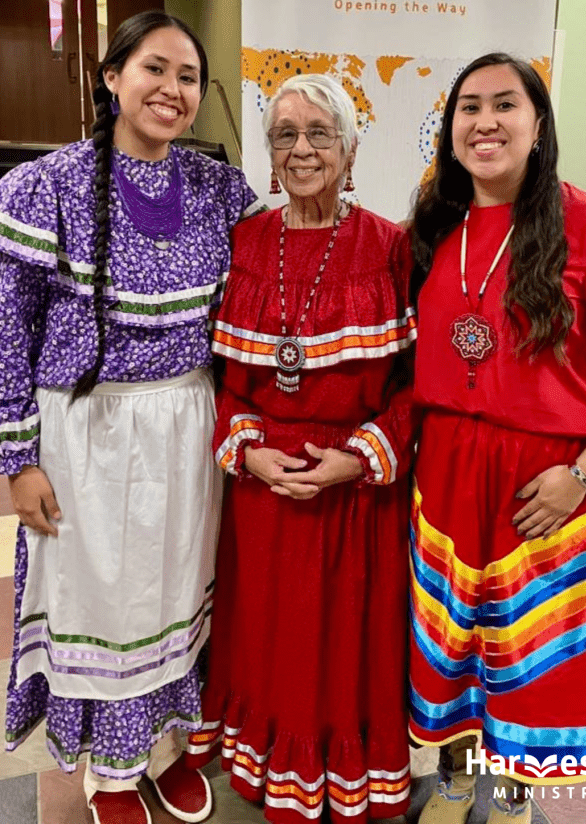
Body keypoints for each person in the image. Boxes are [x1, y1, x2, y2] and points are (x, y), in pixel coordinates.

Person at [0, 11, 259, 824]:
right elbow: (7, 328)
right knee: (102, 600)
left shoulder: (221, 188)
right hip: (87, 433)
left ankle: (170, 748)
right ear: (112, 78)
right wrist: (18, 459)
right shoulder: (43, 188)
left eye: (187, 77)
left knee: (178, 590)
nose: (171, 91)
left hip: (188, 424)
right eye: (154, 69)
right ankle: (110, 773)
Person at [409, 53, 586, 824]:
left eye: (504, 105)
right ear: (450, 127)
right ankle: (455, 780)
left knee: (532, 658)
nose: (484, 122)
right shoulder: (432, 220)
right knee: (449, 638)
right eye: (467, 108)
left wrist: (583, 474)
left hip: (546, 480)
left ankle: (515, 798)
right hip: (447, 470)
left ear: (537, 123)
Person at [186, 73, 416, 824]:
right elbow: (222, 379)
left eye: (319, 133)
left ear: (350, 150)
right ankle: (270, 772)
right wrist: (246, 450)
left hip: (354, 493)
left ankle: (341, 776)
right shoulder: (244, 243)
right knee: (269, 644)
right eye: (284, 135)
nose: (301, 149)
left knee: (344, 647)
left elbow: (420, 387)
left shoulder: (390, 247)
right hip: (264, 492)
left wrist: (360, 457)